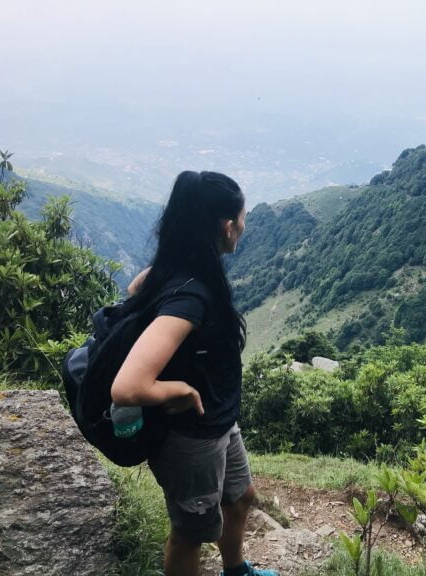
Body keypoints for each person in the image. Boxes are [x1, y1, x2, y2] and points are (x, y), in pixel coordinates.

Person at [111, 171, 278, 576]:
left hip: (217, 422)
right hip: (191, 437)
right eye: (242, 217)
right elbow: (126, 386)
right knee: (190, 532)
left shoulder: (177, 267)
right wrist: (178, 389)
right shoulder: (191, 296)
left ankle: (235, 570)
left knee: (240, 497)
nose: (244, 225)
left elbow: (136, 293)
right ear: (226, 226)